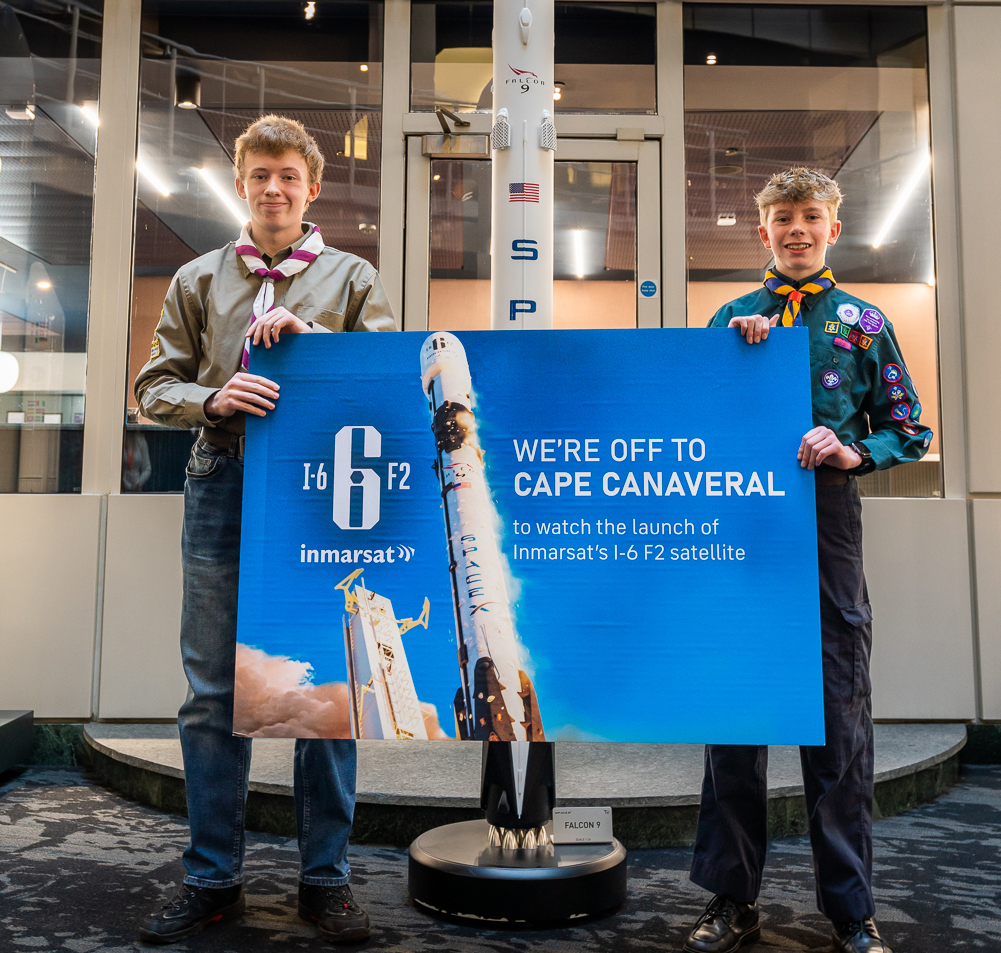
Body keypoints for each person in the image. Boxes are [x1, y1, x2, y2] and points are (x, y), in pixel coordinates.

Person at [134, 115, 396, 945]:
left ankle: (326, 879)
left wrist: (317, 348)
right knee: (214, 691)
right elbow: (152, 386)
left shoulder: (354, 277)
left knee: (323, 693)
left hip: (325, 492)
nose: (274, 188)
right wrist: (211, 397)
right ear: (240, 183)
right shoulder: (197, 279)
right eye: (259, 176)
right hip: (223, 478)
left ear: (312, 187)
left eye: (289, 175)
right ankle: (212, 879)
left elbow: (387, 382)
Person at [683, 167, 931, 953]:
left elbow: (909, 427)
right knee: (736, 716)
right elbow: (692, 418)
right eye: (781, 217)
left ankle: (850, 909)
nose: (795, 229)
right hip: (738, 528)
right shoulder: (729, 317)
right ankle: (731, 898)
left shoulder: (863, 322)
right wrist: (738, 359)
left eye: (810, 217)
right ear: (761, 231)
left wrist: (852, 449)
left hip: (824, 526)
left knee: (837, 720)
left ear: (832, 228)